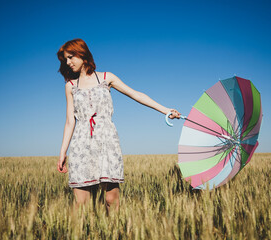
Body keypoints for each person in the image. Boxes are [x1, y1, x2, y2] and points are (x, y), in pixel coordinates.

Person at [56, 38, 180, 214]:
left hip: (107, 142)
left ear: (82, 55)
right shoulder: (70, 86)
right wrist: (62, 152)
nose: (68, 63)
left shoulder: (107, 78)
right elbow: (70, 121)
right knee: (81, 203)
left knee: (111, 199)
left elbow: (136, 94)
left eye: (70, 57)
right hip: (81, 146)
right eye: (65, 60)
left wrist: (165, 110)